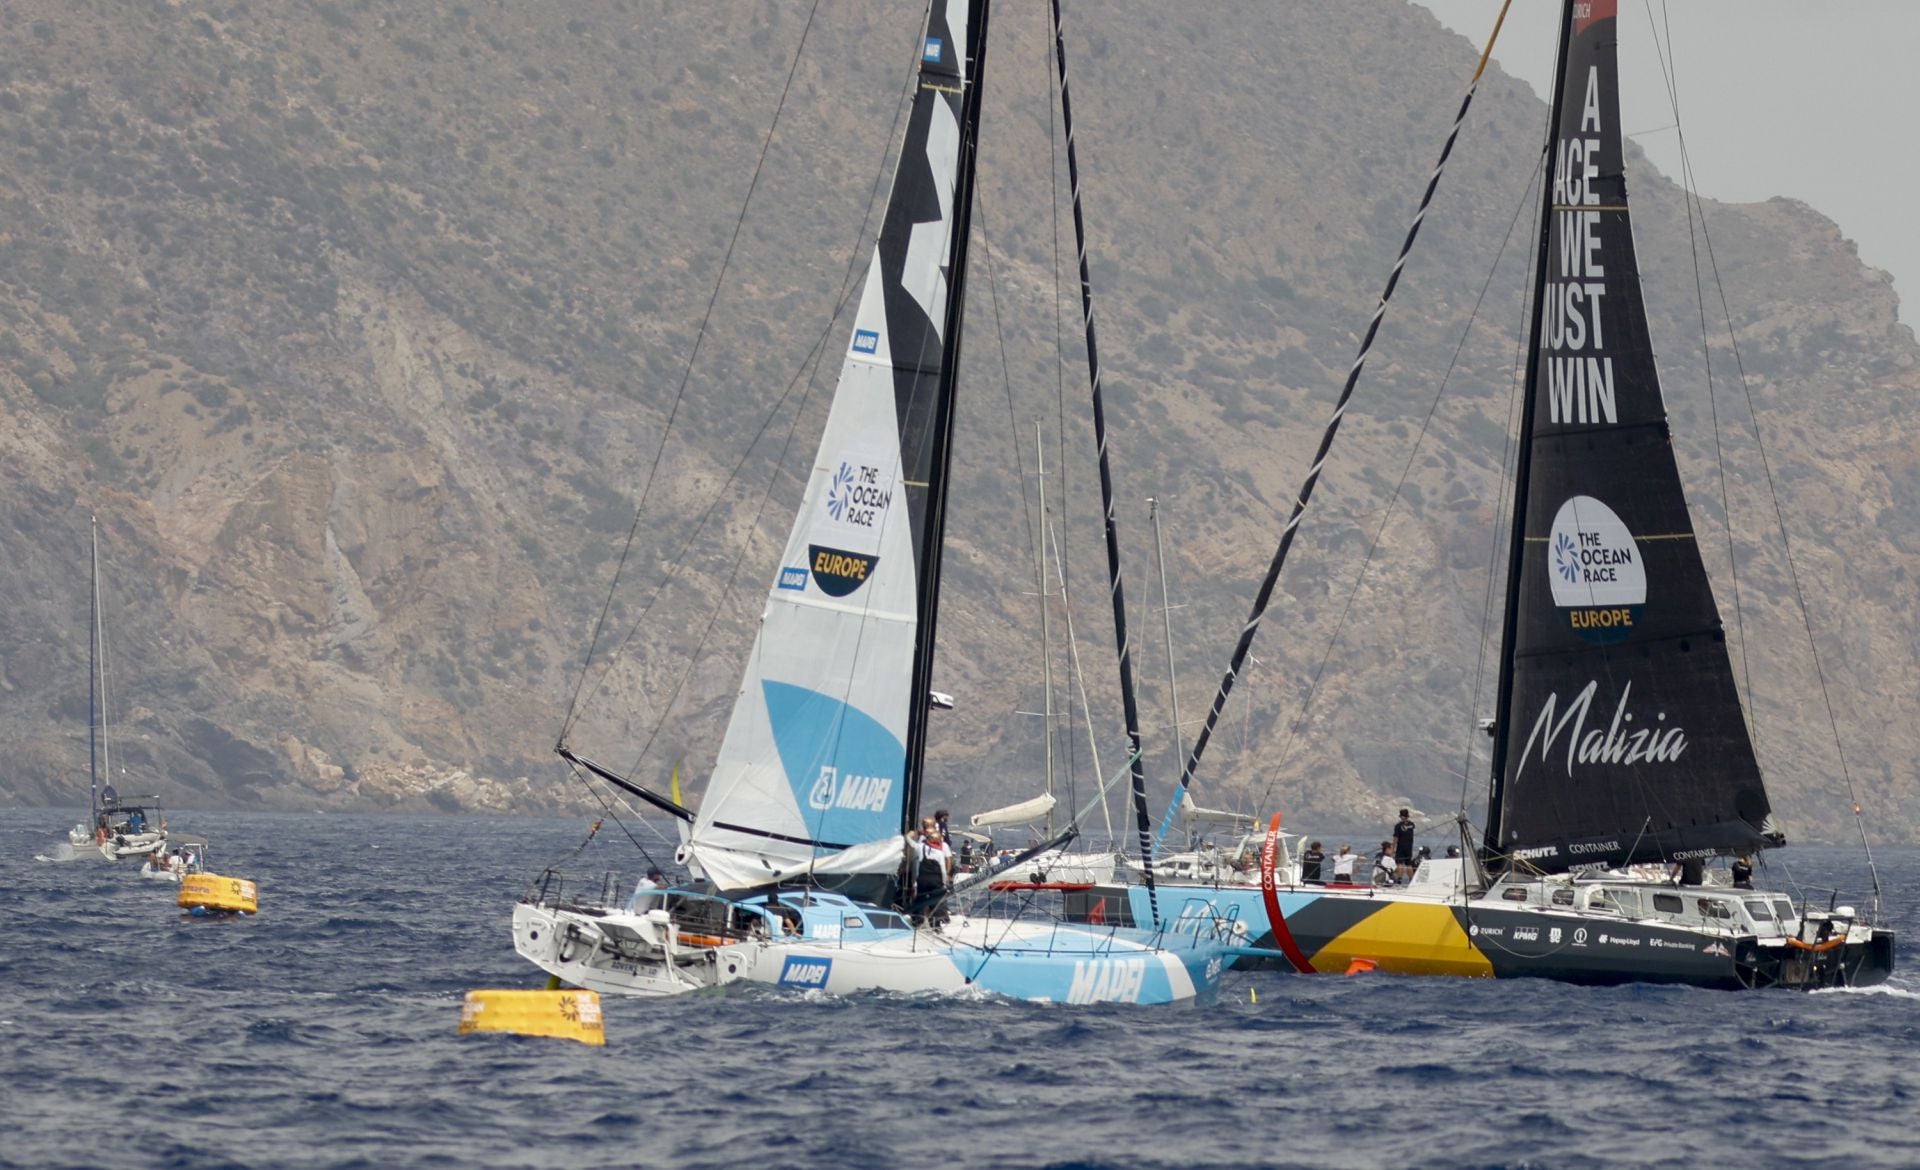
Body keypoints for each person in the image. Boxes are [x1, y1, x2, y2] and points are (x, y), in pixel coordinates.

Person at [915, 827, 953, 927]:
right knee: (936, 901)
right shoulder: (939, 853)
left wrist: (915, 878)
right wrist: (944, 882)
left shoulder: (920, 847)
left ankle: (917, 921)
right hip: (936, 880)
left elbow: (917, 865)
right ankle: (935, 924)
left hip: (922, 878)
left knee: (921, 899)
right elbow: (943, 869)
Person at [1392, 808, 1416, 883]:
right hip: (1409, 847)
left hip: (1401, 847)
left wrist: (1393, 848)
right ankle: (1411, 879)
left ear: (1401, 816)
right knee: (1408, 864)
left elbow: (1395, 838)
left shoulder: (1398, 826)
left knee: (1400, 863)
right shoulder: (1412, 825)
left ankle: (1399, 879)